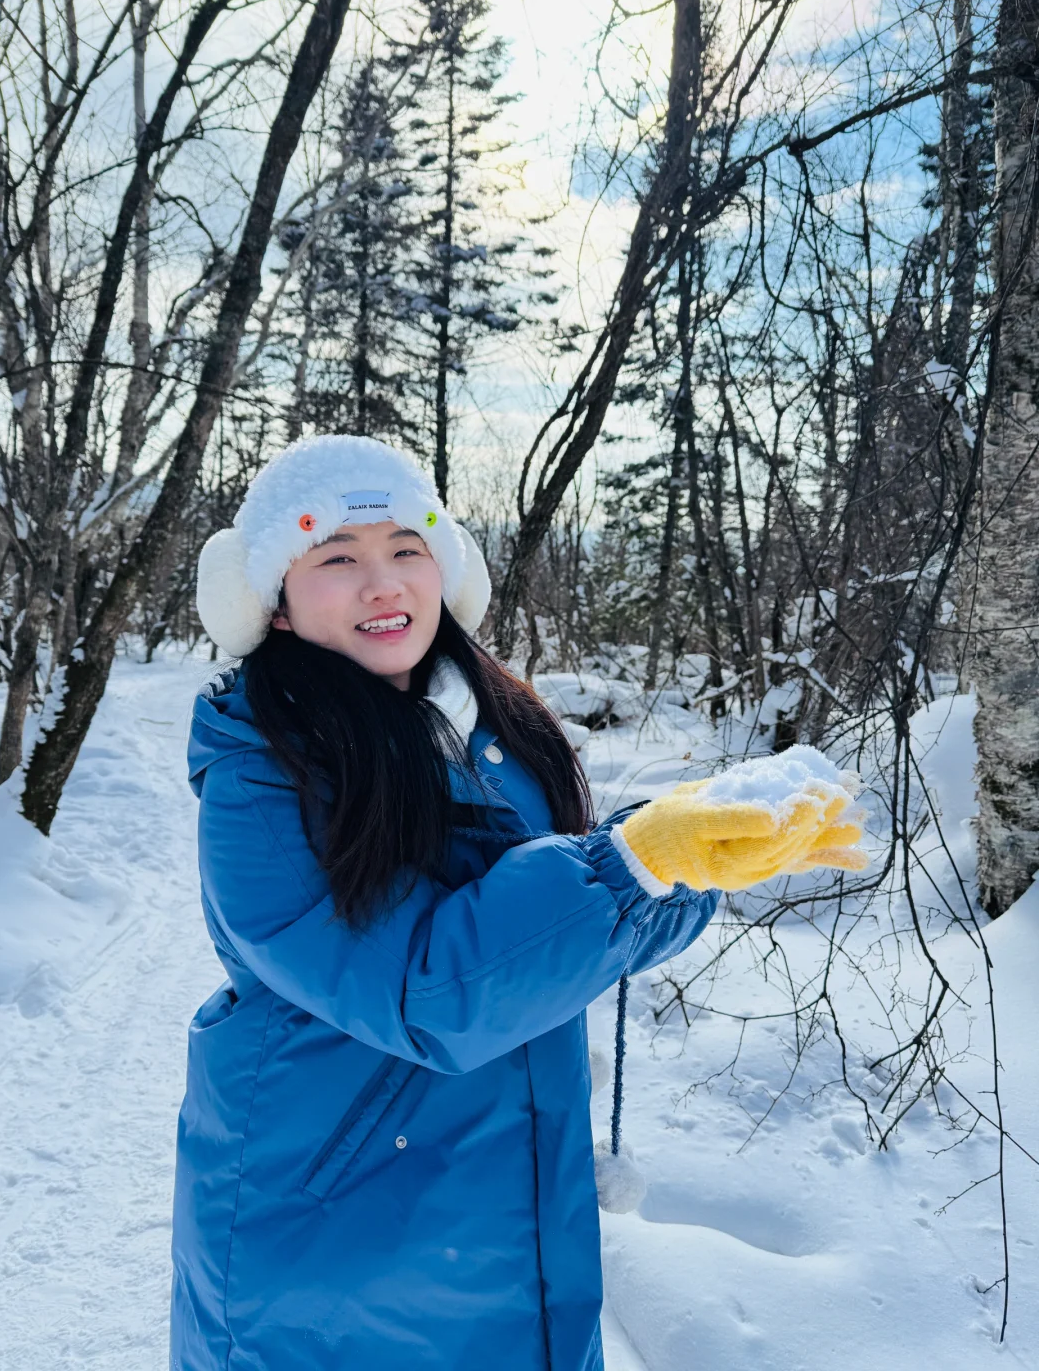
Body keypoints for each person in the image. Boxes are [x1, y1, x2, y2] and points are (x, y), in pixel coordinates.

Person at [169, 434, 865, 1371]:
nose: (385, 584)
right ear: (274, 602)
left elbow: (543, 935)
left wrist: (693, 862)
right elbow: (428, 992)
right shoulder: (261, 770)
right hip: (337, 1252)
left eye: (406, 549)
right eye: (337, 558)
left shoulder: (490, 725)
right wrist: (628, 868)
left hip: (514, 1219)